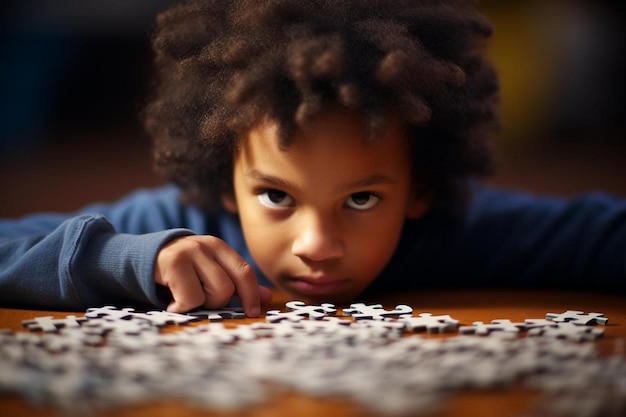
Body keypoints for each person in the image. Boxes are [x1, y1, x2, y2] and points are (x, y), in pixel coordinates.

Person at [1, 0, 624, 316]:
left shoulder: (456, 227)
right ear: (225, 180)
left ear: (420, 188)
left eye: (361, 199)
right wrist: (128, 258)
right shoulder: (177, 232)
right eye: (276, 196)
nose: (317, 245)